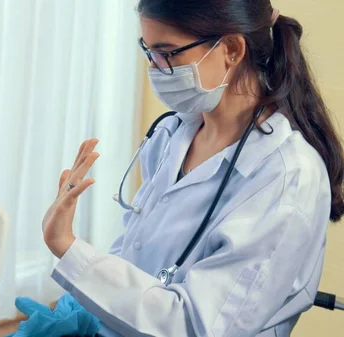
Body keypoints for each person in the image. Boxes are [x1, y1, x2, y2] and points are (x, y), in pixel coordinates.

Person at [31, 1, 344, 336]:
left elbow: (198, 326)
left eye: (168, 53)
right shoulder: (171, 135)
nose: (155, 67)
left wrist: (68, 247)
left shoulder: (286, 177)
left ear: (232, 49)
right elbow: (132, 254)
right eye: (148, 51)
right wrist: (86, 309)